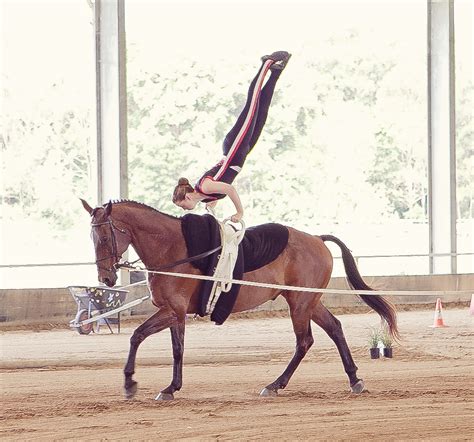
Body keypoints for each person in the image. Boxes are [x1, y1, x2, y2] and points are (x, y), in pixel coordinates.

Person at [172, 50, 291, 222]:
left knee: (252, 107)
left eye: (182, 206)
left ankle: (267, 63)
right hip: (240, 154)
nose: (184, 210)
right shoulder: (206, 196)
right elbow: (220, 190)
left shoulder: (205, 186)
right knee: (262, 113)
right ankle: (276, 73)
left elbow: (230, 189)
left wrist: (239, 212)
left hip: (234, 149)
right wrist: (213, 202)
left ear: (188, 197)